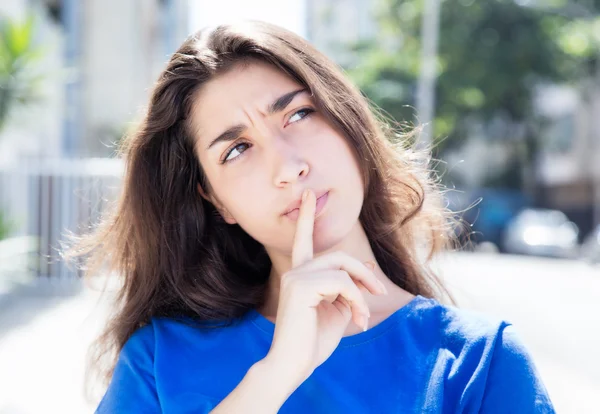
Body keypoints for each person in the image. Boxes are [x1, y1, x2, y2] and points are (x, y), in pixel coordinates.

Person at [64, 20, 555, 413]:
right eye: (237, 149)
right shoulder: (159, 361)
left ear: (348, 123)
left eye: (298, 114)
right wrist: (275, 375)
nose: (288, 166)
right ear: (216, 202)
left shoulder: (476, 363)